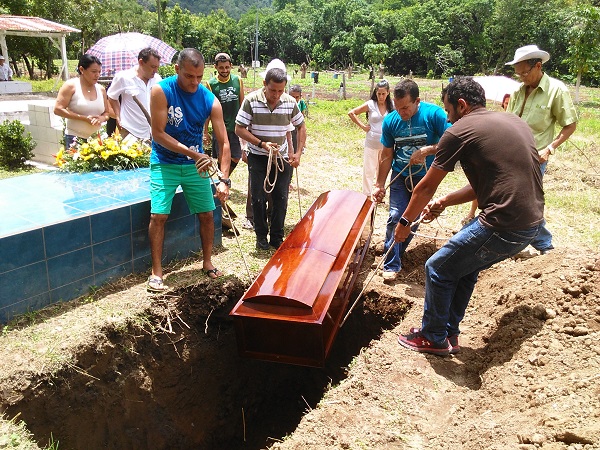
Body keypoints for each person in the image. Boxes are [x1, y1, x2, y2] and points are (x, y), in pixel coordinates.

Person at [384, 77, 545, 355]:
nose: (448, 118)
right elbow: (489, 181)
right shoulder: (514, 122)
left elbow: (425, 187)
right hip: (531, 223)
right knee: (464, 268)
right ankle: (449, 333)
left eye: (448, 112)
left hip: (503, 223)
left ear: (461, 105)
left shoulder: (460, 131)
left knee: (437, 268)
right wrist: (445, 202)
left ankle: (432, 336)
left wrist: (404, 224)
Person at [147, 48, 230, 292]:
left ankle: (207, 262)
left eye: (199, 77)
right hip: (165, 161)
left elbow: (224, 141)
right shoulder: (161, 90)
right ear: (177, 70)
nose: (194, 82)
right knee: (158, 216)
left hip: (196, 166)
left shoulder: (209, 99)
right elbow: (158, 134)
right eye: (188, 76)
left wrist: (224, 179)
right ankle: (156, 271)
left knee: (207, 213)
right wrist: (195, 154)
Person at [372, 79, 450, 282]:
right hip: (400, 174)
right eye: (397, 108)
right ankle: (391, 262)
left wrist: (428, 150)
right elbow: (387, 155)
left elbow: (451, 142)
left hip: (425, 178)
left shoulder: (434, 115)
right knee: (396, 215)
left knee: (411, 220)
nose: (401, 112)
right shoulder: (391, 121)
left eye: (405, 107)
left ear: (417, 101)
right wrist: (379, 184)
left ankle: (393, 251)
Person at [506, 44, 578, 254]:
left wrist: (550, 148)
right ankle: (515, 242)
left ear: (538, 66)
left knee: (525, 203)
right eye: (518, 74)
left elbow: (570, 124)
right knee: (511, 200)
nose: (521, 77)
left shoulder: (556, 90)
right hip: (511, 155)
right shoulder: (518, 90)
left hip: (535, 158)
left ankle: (545, 245)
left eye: (524, 73)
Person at [235, 59, 306, 250]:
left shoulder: (290, 102)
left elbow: (301, 126)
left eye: (280, 91)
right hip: (258, 155)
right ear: (264, 85)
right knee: (258, 197)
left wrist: (298, 153)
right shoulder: (251, 100)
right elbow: (239, 129)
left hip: (281, 157)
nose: (276, 95)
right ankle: (261, 237)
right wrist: (261, 144)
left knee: (281, 197)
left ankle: (276, 237)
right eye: (272, 90)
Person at [54, 54, 112, 149]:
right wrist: (84, 118)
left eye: (99, 72)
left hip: (97, 139)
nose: (97, 75)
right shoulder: (71, 86)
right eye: (93, 71)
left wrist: (101, 118)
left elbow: (107, 113)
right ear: (82, 70)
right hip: (75, 138)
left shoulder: (101, 89)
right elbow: (58, 109)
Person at [348, 79, 393, 196]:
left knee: (382, 170)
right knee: (369, 170)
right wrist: (363, 126)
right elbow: (352, 113)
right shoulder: (371, 104)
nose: (381, 96)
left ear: (388, 92)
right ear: (376, 93)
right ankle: (366, 195)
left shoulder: (392, 106)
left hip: (386, 144)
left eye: (383, 94)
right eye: (379, 94)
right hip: (371, 142)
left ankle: (379, 193)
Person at [107, 47, 162, 140]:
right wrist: (118, 115)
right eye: (153, 67)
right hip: (130, 131)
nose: (155, 70)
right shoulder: (123, 77)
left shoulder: (158, 79)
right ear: (141, 62)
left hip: (152, 132)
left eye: (157, 67)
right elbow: (112, 97)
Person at [205, 52, 245, 175]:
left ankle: (221, 176)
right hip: (220, 127)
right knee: (222, 156)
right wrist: (205, 131)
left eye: (227, 67)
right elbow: (207, 110)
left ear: (231, 66)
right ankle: (223, 181)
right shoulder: (210, 85)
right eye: (221, 67)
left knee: (237, 156)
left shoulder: (237, 80)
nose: (224, 70)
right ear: (215, 67)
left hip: (236, 127)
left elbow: (243, 103)